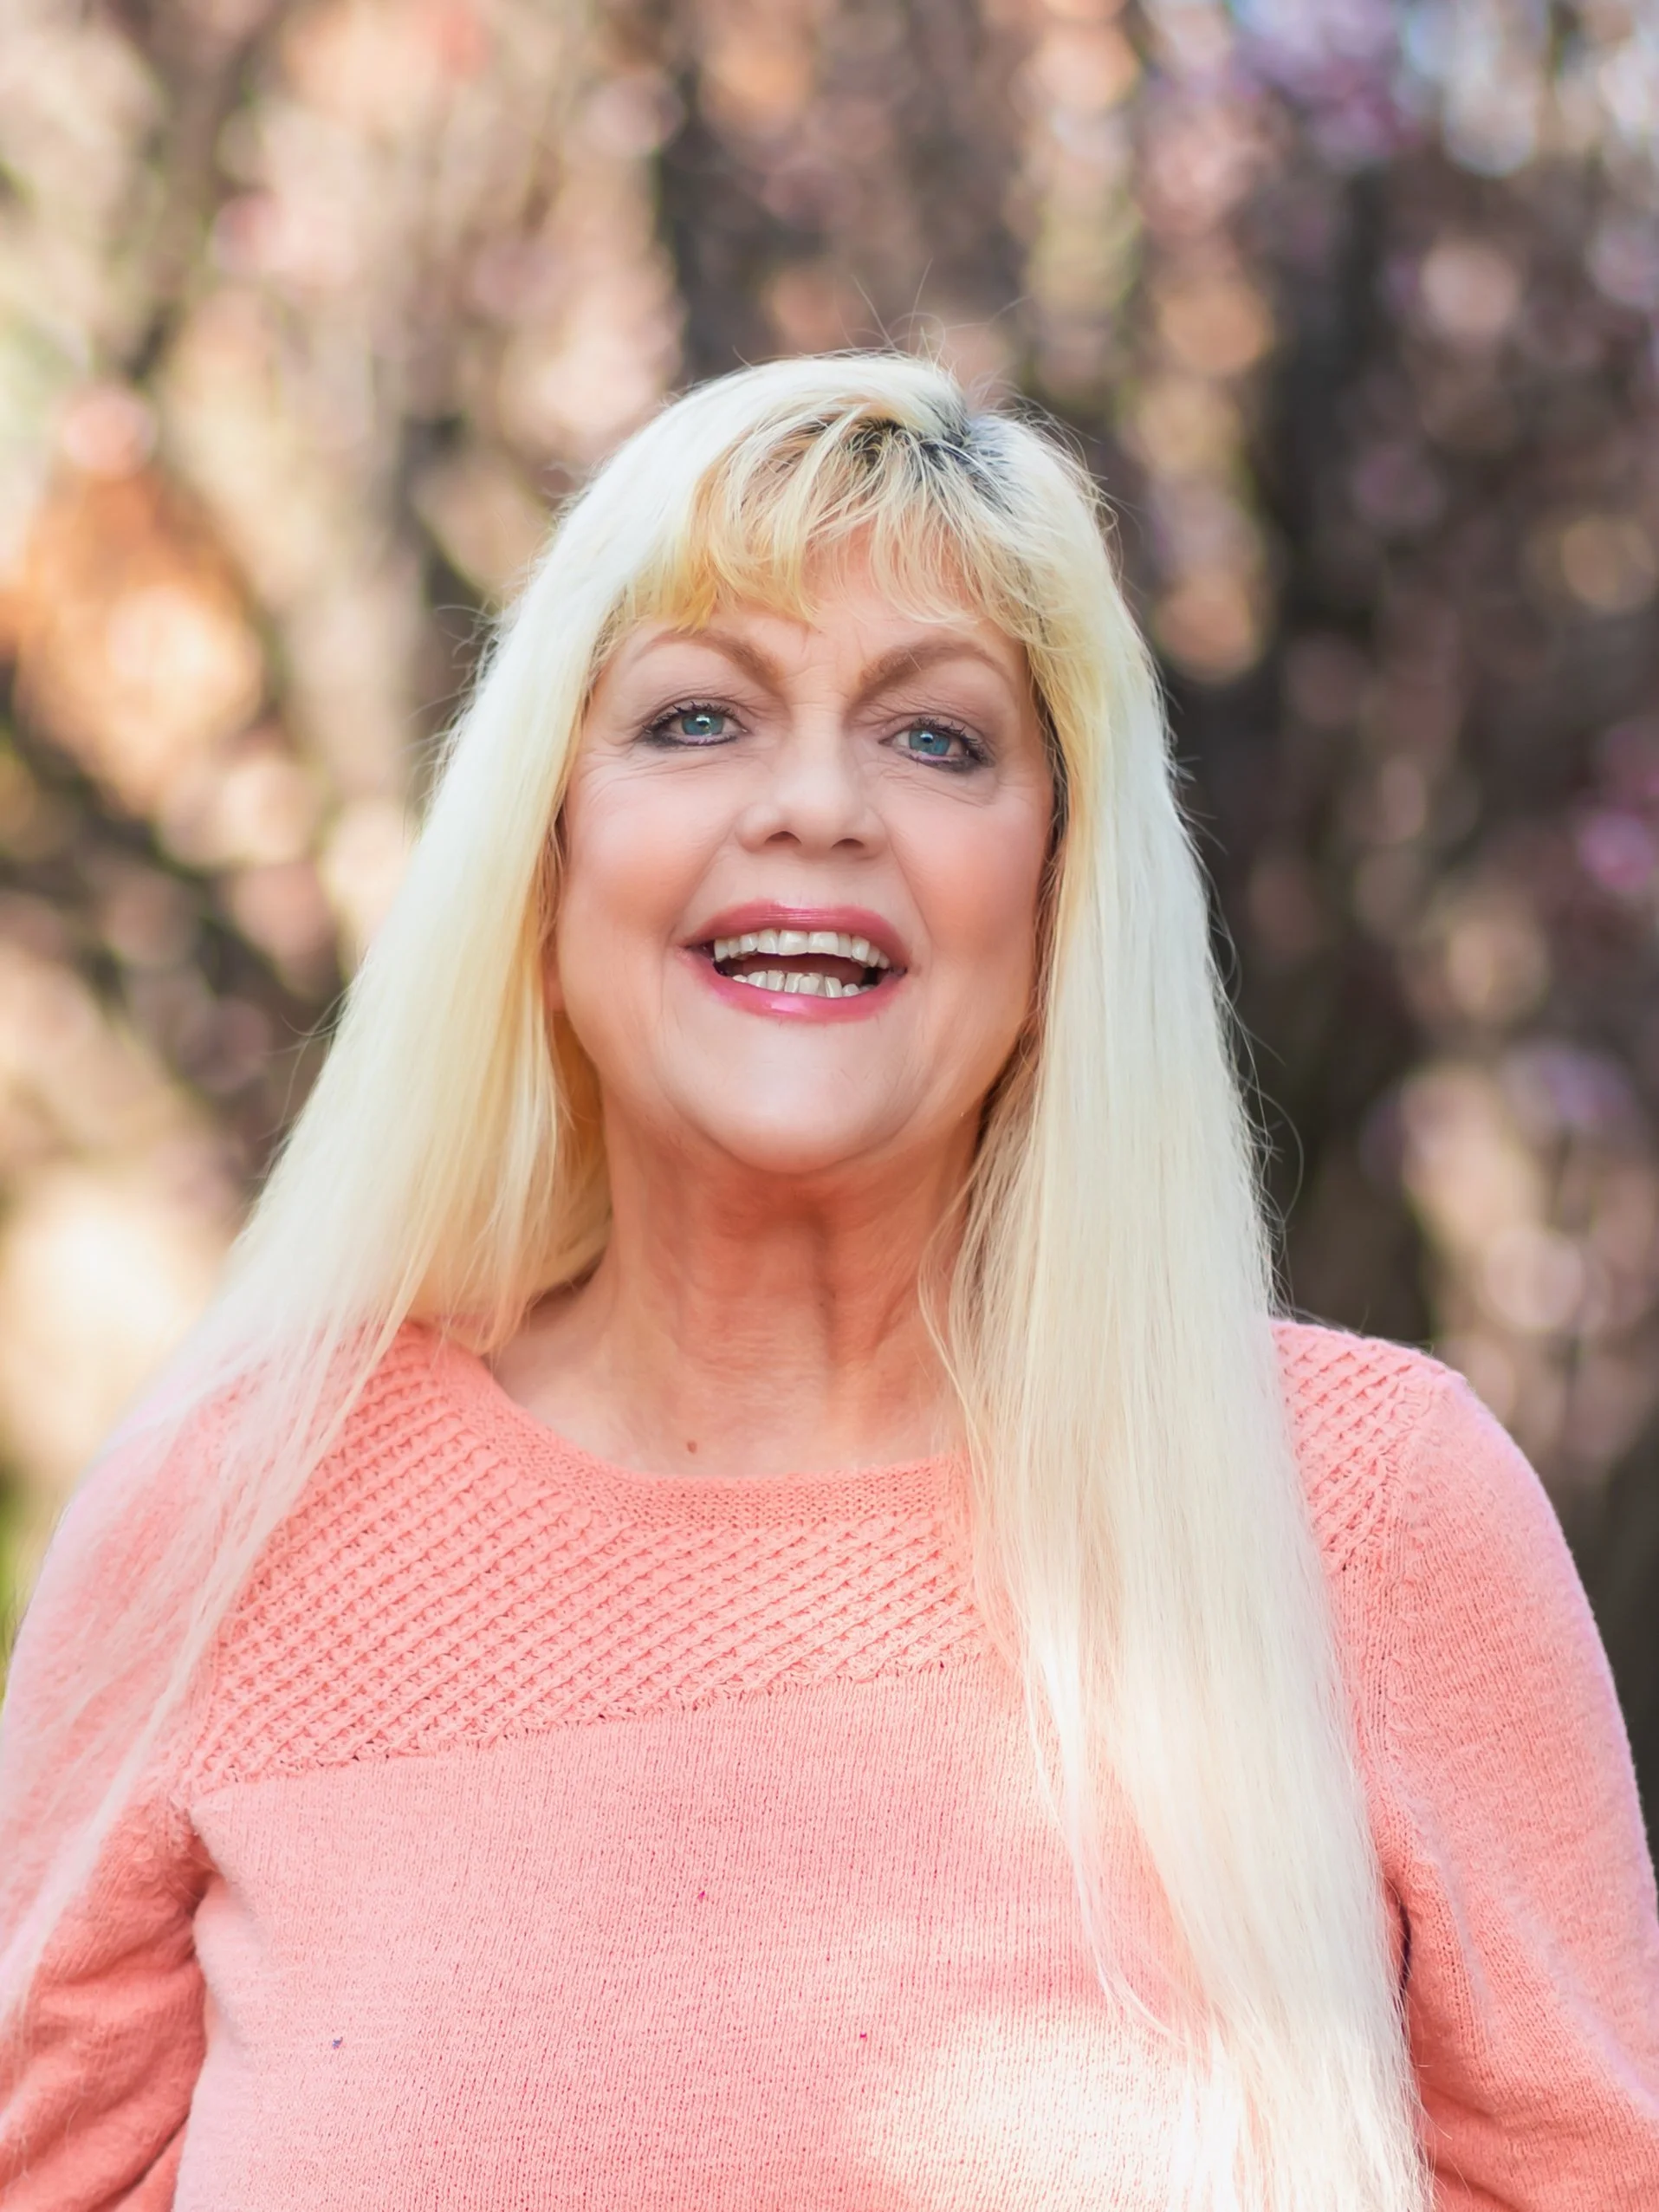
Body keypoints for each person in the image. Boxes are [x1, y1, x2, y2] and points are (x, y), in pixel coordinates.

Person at [1, 355, 1656, 2212]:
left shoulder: (1370, 1515)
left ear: (1057, 906)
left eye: (937, 738)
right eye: (698, 717)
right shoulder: (230, 1522)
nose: (816, 805)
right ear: (544, 869)